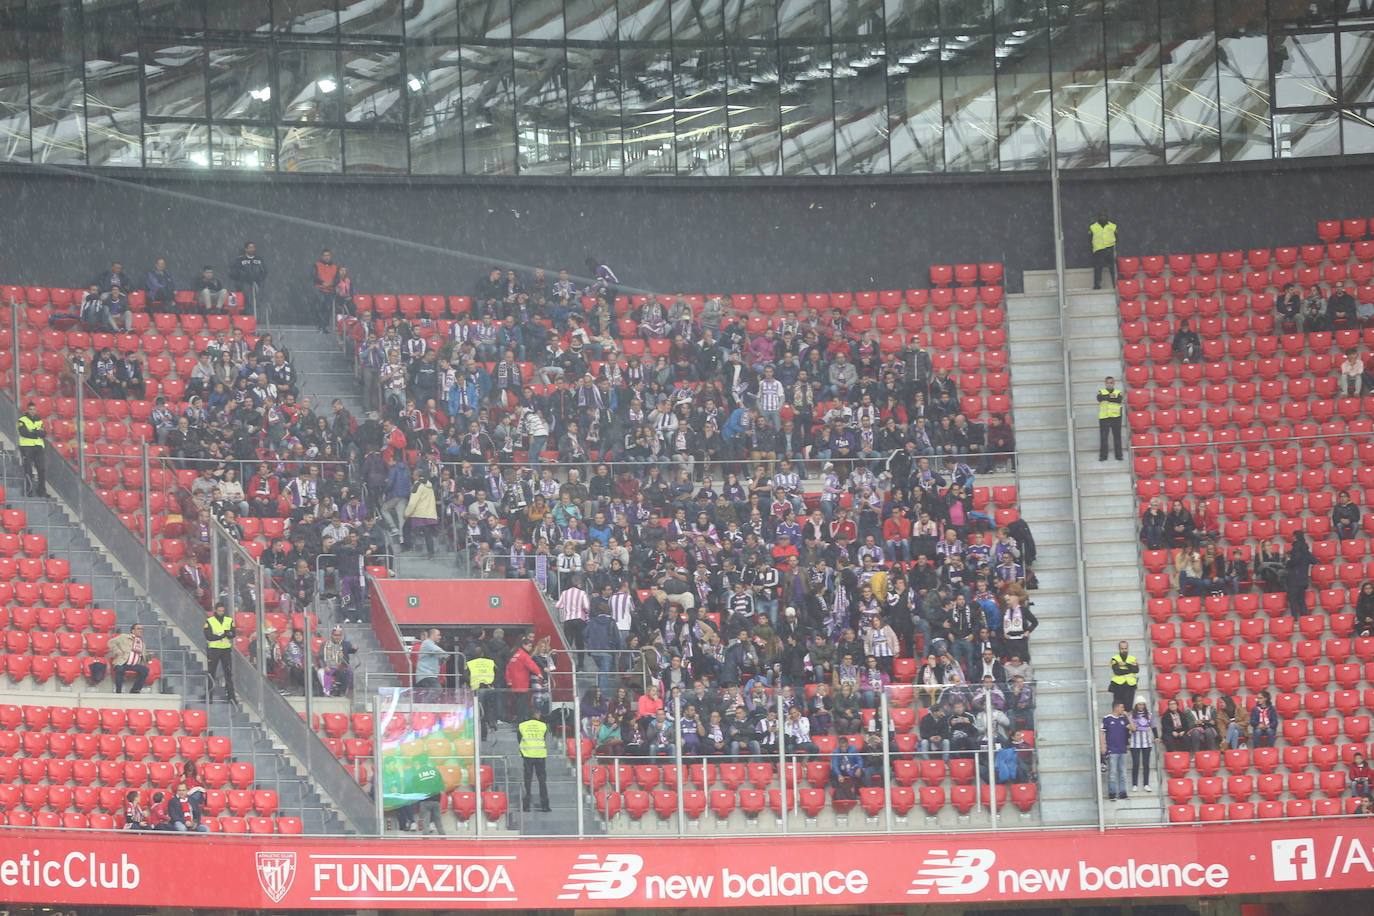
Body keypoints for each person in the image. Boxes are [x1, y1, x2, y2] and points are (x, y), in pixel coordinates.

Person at [518, 707, 552, 812]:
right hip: (540, 755)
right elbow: (544, 738)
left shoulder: (522, 726)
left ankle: (526, 805)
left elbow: (519, 739)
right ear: (536, 714)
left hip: (527, 755)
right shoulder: (543, 726)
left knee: (527, 782)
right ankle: (545, 806)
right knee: (542, 781)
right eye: (539, 714)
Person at [203, 603, 237, 704]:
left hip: (226, 649)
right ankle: (209, 696)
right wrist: (222, 635)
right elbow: (208, 636)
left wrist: (227, 634)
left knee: (228, 673)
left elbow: (233, 633)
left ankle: (231, 697)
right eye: (219, 611)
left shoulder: (229, 620)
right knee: (211, 672)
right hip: (213, 650)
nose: (221, 613)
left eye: (222, 611)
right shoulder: (209, 621)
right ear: (215, 610)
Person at [1100, 701, 1130, 801]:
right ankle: (1112, 793)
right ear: (1116, 707)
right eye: (1122, 707)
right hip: (1112, 749)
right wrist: (1103, 746)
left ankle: (1123, 792)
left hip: (1123, 750)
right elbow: (1101, 733)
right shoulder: (1107, 718)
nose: (1123, 710)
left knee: (1123, 772)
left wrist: (1128, 717)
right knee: (1112, 772)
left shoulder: (1123, 719)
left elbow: (1133, 728)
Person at [109, 623, 150, 694]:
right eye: (138, 629)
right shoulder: (124, 637)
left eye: (142, 629)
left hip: (134, 665)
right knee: (119, 669)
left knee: (145, 670)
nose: (141, 631)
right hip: (123, 663)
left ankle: (135, 690)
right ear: (133, 631)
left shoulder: (142, 643)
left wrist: (149, 656)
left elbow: (144, 657)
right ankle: (118, 691)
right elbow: (110, 642)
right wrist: (117, 651)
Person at [229, 242, 267, 318]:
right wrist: (242, 276)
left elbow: (265, 271)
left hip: (257, 284)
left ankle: (257, 318)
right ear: (246, 249)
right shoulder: (240, 260)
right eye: (250, 247)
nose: (252, 249)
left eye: (253, 247)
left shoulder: (259, 259)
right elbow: (233, 273)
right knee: (246, 300)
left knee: (258, 300)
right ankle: (247, 317)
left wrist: (259, 279)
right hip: (244, 284)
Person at [17, 401, 46, 497]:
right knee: (28, 468)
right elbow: (23, 433)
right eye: (30, 409)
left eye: (34, 409)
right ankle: (29, 490)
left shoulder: (39, 420)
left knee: (41, 469)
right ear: (27, 410)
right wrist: (37, 432)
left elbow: (44, 434)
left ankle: (42, 491)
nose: (32, 411)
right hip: (26, 446)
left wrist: (32, 431)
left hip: (38, 446)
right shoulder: (22, 420)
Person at [466, 646, 496, 740]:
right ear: (483, 653)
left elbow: (465, 676)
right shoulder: (490, 662)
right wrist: (493, 684)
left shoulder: (470, 664)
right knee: (490, 708)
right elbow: (498, 673)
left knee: (480, 713)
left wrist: (471, 684)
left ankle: (482, 736)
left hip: (477, 690)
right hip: (489, 688)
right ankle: (492, 723)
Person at [1127, 700, 1155, 793]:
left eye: (1143, 704)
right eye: (1139, 704)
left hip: (1146, 742)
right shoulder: (1131, 714)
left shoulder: (1149, 714)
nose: (1141, 706)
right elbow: (1128, 728)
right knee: (1136, 764)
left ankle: (1146, 784)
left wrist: (1157, 736)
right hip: (1135, 742)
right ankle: (1134, 784)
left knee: (1146, 764)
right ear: (1136, 705)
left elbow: (1153, 726)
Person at [1089, 210, 1118, 290]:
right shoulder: (1093, 227)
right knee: (1098, 268)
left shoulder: (1113, 226)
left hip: (1110, 250)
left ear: (1107, 217)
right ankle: (1097, 285)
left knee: (1113, 269)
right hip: (1099, 251)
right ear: (1098, 217)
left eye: (1104, 215)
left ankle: (1115, 285)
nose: (1103, 217)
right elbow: (1090, 239)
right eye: (1101, 215)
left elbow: (1117, 238)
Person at [1287, 531, 1314, 618]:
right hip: (1303, 578)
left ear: (1294, 537)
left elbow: (1296, 560)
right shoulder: (1305, 549)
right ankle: (1304, 618)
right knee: (1301, 600)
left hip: (1294, 577)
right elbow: (1314, 560)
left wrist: (1288, 561)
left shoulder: (1296, 547)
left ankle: (1295, 619)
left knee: (1293, 600)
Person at [1096, 376, 1124, 461]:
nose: (1109, 384)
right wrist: (1111, 397)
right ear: (1105, 383)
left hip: (1116, 417)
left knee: (1117, 437)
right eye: (1107, 383)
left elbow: (1119, 400)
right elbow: (1099, 398)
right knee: (1104, 437)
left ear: (1114, 383)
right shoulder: (1100, 392)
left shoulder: (1119, 392)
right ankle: (1103, 456)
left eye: (1111, 383)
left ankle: (1119, 455)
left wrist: (1107, 397)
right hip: (1104, 417)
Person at [312, 249, 339, 332]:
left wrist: (331, 284)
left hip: (330, 290)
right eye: (325, 255)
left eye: (328, 255)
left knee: (327, 309)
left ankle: (324, 326)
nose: (327, 257)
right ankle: (319, 325)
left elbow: (337, 279)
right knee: (320, 307)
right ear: (322, 256)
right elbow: (313, 276)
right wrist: (322, 283)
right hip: (319, 289)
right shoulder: (316, 265)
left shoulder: (335, 267)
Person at [1107, 641, 1138, 711]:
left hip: (1130, 686)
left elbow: (1136, 670)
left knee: (1128, 708)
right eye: (1122, 649)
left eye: (1125, 648)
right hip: (1118, 686)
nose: (1124, 650)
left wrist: (1125, 664)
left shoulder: (1132, 658)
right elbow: (1117, 671)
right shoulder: (1115, 658)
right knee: (1117, 707)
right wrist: (1130, 669)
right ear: (1119, 649)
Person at [414, 628, 445, 698]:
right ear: (432, 635)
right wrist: (446, 656)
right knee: (438, 690)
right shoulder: (428, 643)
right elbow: (443, 654)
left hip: (430, 675)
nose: (440, 637)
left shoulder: (431, 645)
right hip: (427, 675)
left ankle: (425, 704)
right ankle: (426, 704)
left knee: (433, 692)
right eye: (438, 635)